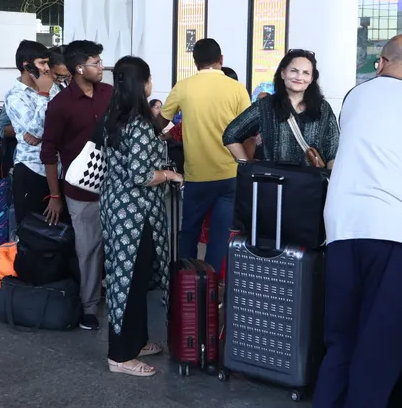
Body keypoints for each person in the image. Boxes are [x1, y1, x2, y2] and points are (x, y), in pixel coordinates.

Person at [304, 34, 402, 408]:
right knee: (381, 340)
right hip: (394, 229)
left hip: (342, 225)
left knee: (340, 336)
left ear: (381, 62)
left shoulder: (354, 94)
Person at [101, 56, 182, 377]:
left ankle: (137, 338)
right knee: (129, 281)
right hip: (133, 216)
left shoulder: (115, 115)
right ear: (142, 83)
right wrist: (170, 174)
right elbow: (141, 174)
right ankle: (121, 355)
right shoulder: (138, 123)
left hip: (118, 208)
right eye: (149, 78)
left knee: (132, 276)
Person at [160, 38, 249, 274]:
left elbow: (161, 122)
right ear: (221, 59)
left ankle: (186, 285)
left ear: (195, 63)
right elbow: (249, 130)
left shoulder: (183, 87)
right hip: (230, 174)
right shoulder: (237, 88)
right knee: (220, 234)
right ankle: (210, 289)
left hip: (197, 176)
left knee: (189, 230)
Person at [41, 40, 113, 331]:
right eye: (96, 63)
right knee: (89, 248)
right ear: (80, 68)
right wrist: (55, 195)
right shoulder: (60, 105)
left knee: (114, 245)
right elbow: (49, 152)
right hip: (80, 190)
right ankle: (88, 306)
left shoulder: (110, 94)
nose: (101, 67)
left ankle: (112, 294)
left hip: (114, 185)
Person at [223, 49, 338, 165]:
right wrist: (247, 166)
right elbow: (231, 135)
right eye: (294, 71)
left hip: (313, 181)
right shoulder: (265, 106)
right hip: (275, 181)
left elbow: (333, 150)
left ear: (312, 78)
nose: (299, 77)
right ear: (283, 73)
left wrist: (330, 179)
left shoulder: (323, 108)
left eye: (306, 73)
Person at [4, 40, 55, 225]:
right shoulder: (15, 96)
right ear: (27, 65)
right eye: (42, 63)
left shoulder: (53, 88)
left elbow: (64, 121)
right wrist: (43, 95)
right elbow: (37, 129)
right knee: (31, 231)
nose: (47, 68)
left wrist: (42, 134)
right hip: (32, 169)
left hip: (58, 171)